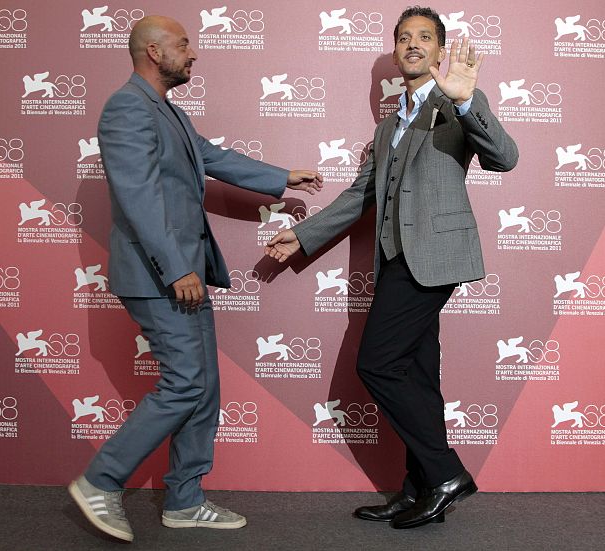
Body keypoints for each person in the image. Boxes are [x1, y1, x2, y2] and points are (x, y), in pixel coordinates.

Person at [69, 15, 322, 542]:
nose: (194, 53)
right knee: (185, 383)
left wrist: (280, 176)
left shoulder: (169, 113)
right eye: (184, 45)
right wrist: (177, 266)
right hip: (159, 274)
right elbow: (138, 198)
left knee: (202, 388)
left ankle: (184, 499)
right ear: (154, 52)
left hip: (182, 272)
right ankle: (101, 479)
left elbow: (212, 157)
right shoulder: (126, 109)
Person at [265, 6, 517, 529]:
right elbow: (363, 194)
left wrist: (467, 98)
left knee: (376, 364)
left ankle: (447, 474)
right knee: (418, 377)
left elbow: (505, 157)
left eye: (425, 37)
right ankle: (418, 488)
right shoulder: (388, 126)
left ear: (440, 50)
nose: (413, 45)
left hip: (437, 257)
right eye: (404, 38)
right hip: (397, 260)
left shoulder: (455, 106)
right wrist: (306, 234)